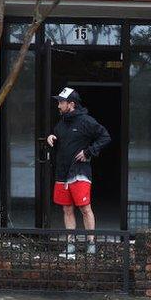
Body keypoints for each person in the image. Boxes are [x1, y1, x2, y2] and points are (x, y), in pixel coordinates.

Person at [47, 87, 111, 256]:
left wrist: (89, 152)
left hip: (80, 172)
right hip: (62, 173)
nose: (58, 105)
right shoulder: (60, 123)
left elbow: (105, 136)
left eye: (61, 102)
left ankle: (91, 242)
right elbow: (60, 141)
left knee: (84, 208)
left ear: (71, 104)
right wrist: (51, 137)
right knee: (67, 209)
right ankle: (71, 243)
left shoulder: (86, 121)